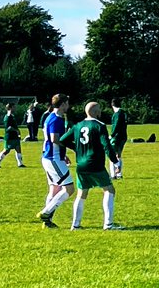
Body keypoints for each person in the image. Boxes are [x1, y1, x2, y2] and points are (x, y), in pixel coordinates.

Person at [60, 101, 121, 230]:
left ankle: (75, 225)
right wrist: (115, 162)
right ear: (95, 112)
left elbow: (63, 139)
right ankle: (108, 224)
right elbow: (106, 145)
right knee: (109, 190)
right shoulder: (99, 126)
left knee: (81, 194)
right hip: (95, 164)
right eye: (99, 109)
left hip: (81, 165)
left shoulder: (78, 126)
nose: (100, 112)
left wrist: (77, 148)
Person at [36, 94, 74, 228]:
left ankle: (47, 222)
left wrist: (63, 154)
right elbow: (54, 139)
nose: (68, 106)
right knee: (69, 188)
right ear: (63, 104)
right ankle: (45, 213)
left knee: (54, 189)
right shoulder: (56, 120)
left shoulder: (50, 117)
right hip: (53, 158)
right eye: (67, 103)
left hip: (52, 157)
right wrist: (71, 146)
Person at [0, 103, 26, 168]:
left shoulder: (12, 116)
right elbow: (8, 128)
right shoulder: (7, 117)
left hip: (14, 136)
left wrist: (17, 131)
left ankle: (20, 164)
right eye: (14, 107)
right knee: (6, 150)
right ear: (10, 108)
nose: (15, 108)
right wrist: (16, 130)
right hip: (9, 137)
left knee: (18, 148)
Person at [109, 98, 128, 178]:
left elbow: (116, 125)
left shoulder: (117, 114)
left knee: (112, 155)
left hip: (116, 137)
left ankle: (113, 174)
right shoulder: (124, 113)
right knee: (118, 155)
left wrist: (112, 135)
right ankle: (119, 174)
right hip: (123, 136)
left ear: (112, 105)